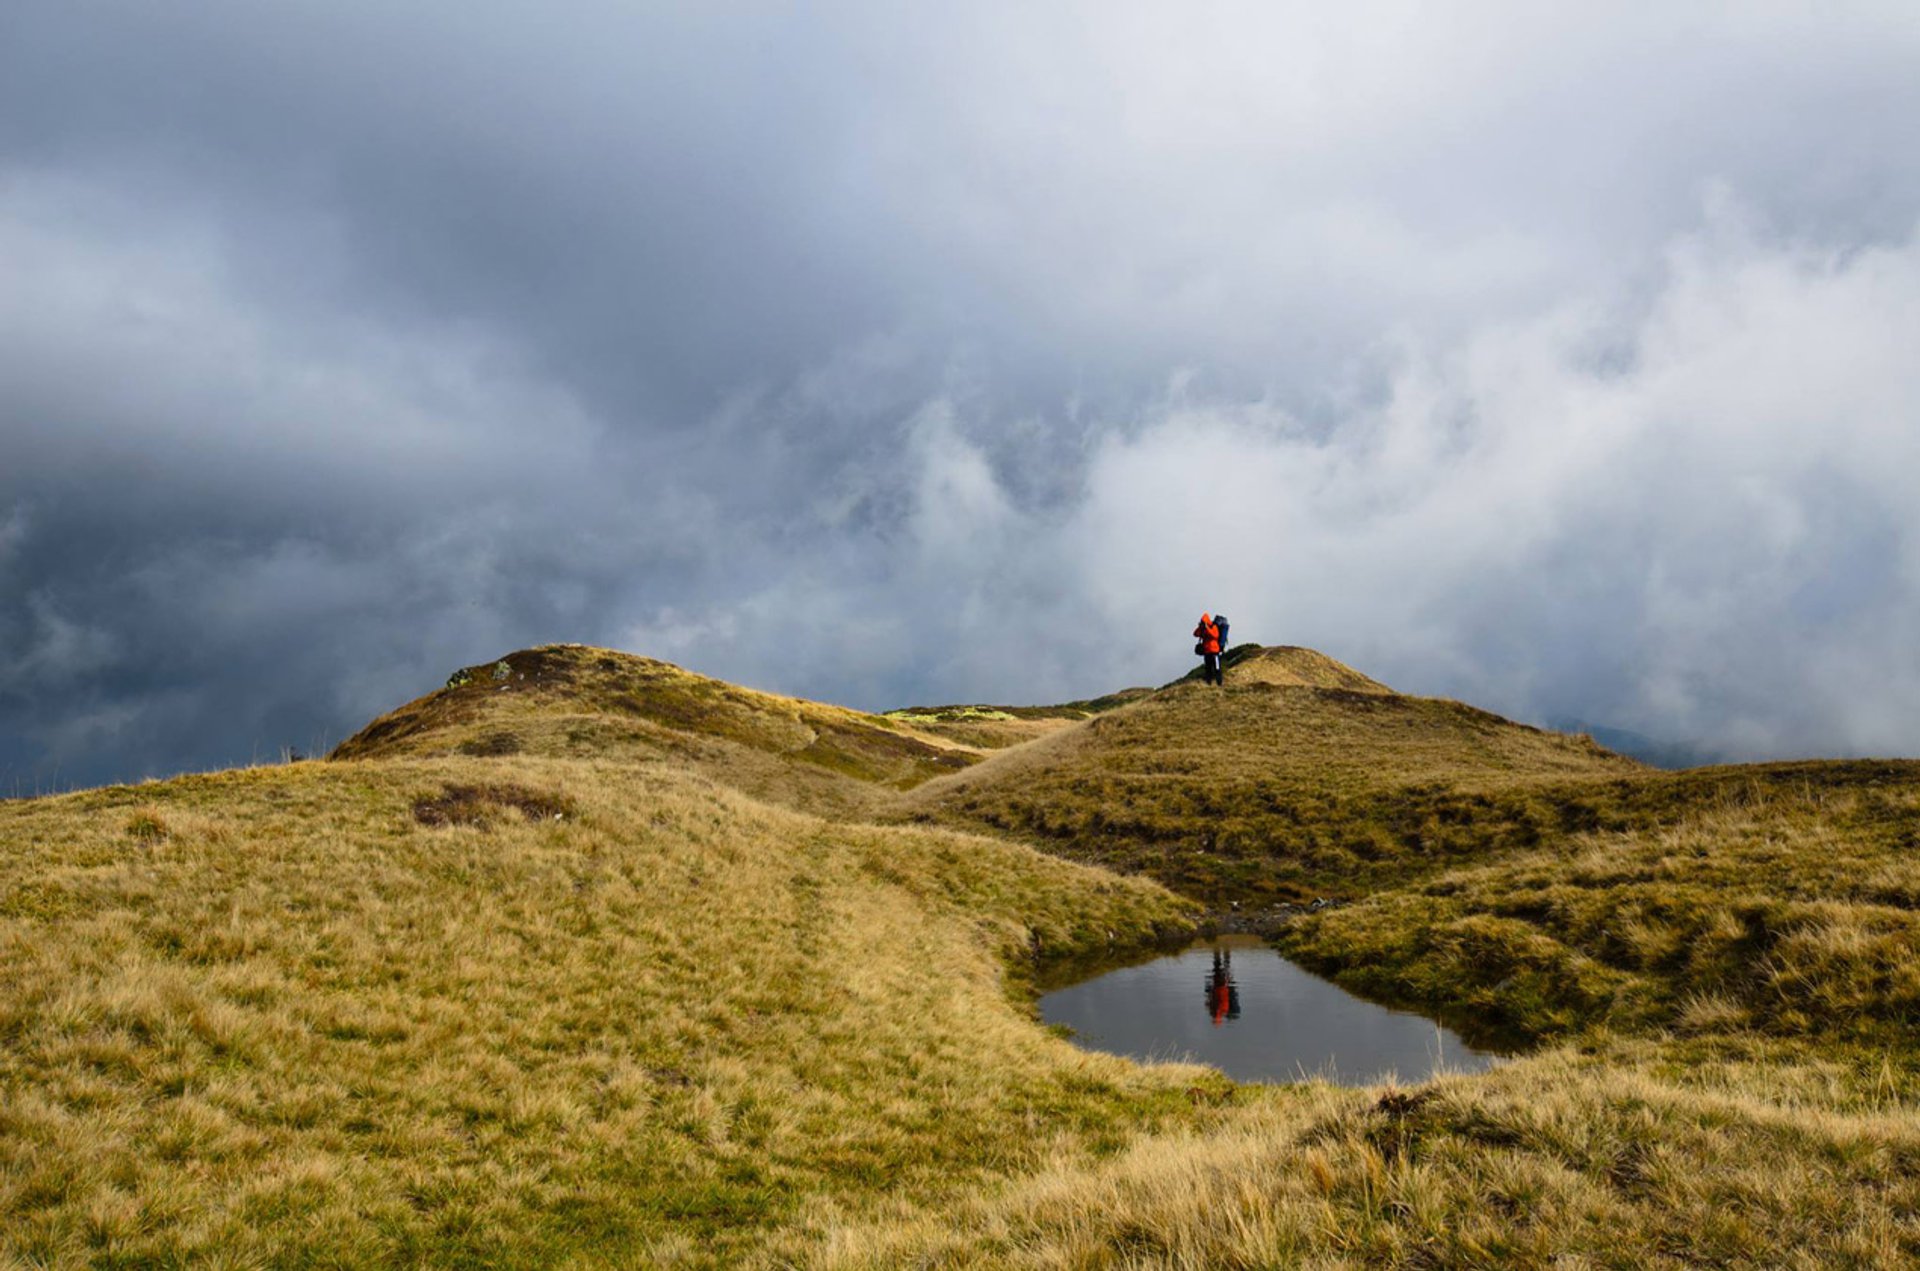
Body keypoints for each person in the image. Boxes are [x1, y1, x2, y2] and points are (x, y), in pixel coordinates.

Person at [1193, 612, 1222, 686]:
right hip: (1207, 652)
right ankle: (1209, 683)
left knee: (1217, 668)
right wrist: (1200, 627)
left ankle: (1219, 683)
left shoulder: (1213, 626)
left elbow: (1215, 635)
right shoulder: (1202, 629)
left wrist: (1207, 628)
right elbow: (1195, 634)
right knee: (1208, 669)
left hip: (1214, 651)